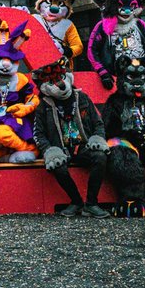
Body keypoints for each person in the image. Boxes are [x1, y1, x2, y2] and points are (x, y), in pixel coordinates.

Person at [31, 59, 110, 217]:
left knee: (100, 157)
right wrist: (49, 150)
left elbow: (98, 123)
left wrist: (97, 138)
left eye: (61, 78)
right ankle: (76, 201)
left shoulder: (82, 97)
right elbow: (38, 133)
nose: (60, 85)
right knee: (57, 165)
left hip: (83, 146)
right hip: (61, 149)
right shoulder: (43, 105)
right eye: (52, 82)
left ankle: (91, 203)